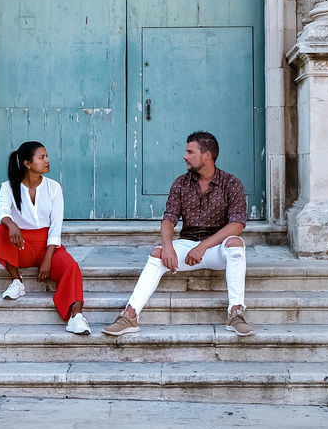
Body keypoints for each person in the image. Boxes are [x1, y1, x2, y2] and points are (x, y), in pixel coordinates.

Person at [102, 130, 252, 337]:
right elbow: (168, 219)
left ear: (207, 155)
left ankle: (236, 313)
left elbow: (237, 224)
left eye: (190, 152)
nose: (185, 156)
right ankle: (130, 316)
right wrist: (168, 246)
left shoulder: (231, 183)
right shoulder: (181, 183)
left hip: (217, 248)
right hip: (187, 246)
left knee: (236, 243)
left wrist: (203, 246)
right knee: (156, 254)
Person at [0, 140, 91, 335]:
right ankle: (17, 281)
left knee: (71, 267)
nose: (47, 161)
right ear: (27, 163)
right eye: (42, 157)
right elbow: (2, 210)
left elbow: (56, 227)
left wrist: (47, 257)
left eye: (46, 156)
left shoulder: (54, 188)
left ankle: (76, 316)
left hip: (47, 246)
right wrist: (11, 224)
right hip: (21, 245)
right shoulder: (8, 187)